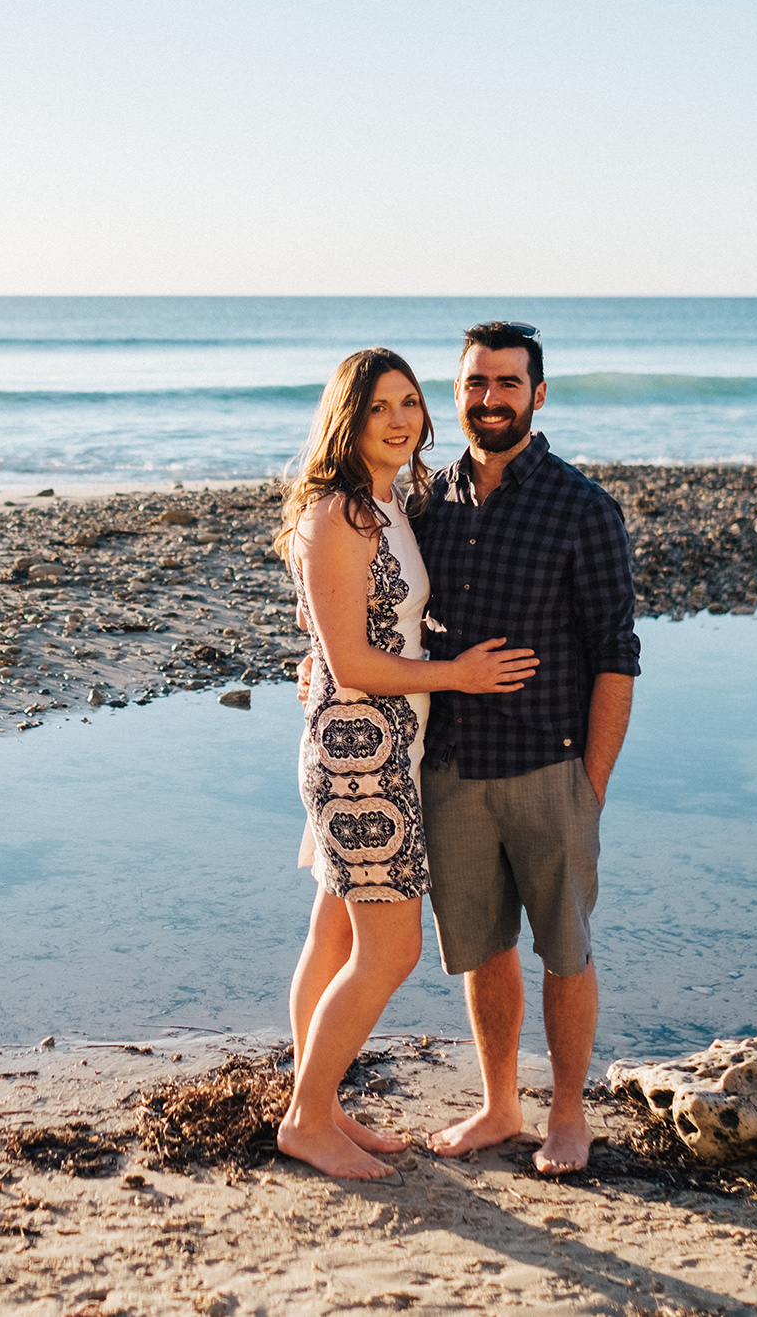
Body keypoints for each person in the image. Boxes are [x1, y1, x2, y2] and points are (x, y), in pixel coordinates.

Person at [274, 346, 537, 1180]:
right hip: (361, 756)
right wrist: (457, 675)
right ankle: (306, 1118)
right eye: (379, 405)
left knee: (334, 932)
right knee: (389, 952)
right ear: (345, 419)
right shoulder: (337, 514)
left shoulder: (389, 502)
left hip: (384, 744)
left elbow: (340, 634)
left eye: (409, 402)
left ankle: (318, 1101)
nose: (399, 419)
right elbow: (351, 661)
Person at [416, 320, 640, 1175]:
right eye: (475, 383)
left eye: (507, 383)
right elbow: (382, 608)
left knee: (565, 949)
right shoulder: (426, 500)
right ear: (459, 392)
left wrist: (591, 782)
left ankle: (570, 1115)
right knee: (481, 947)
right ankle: (499, 1104)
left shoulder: (582, 508)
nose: (489, 399)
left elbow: (616, 655)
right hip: (454, 766)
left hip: (551, 767)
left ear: (538, 395)